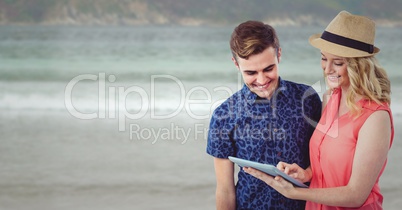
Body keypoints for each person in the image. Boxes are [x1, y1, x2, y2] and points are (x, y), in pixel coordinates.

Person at [244, 11, 394, 210]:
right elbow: (324, 162)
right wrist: (306, 174)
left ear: (360, 66)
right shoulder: (329, 98)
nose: (327, 68)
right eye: (324, 58)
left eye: (338, 63)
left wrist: (295, 192)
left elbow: (356, 195)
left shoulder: (376, 118)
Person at [206, 20, 322, 209]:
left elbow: (326, 159)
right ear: (236, 64)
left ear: (279, 54)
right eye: (251, 72)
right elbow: (225, 190)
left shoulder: (307, 99)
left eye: (269, 69)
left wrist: (307, 172)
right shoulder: (224, 115)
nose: (261, 80)